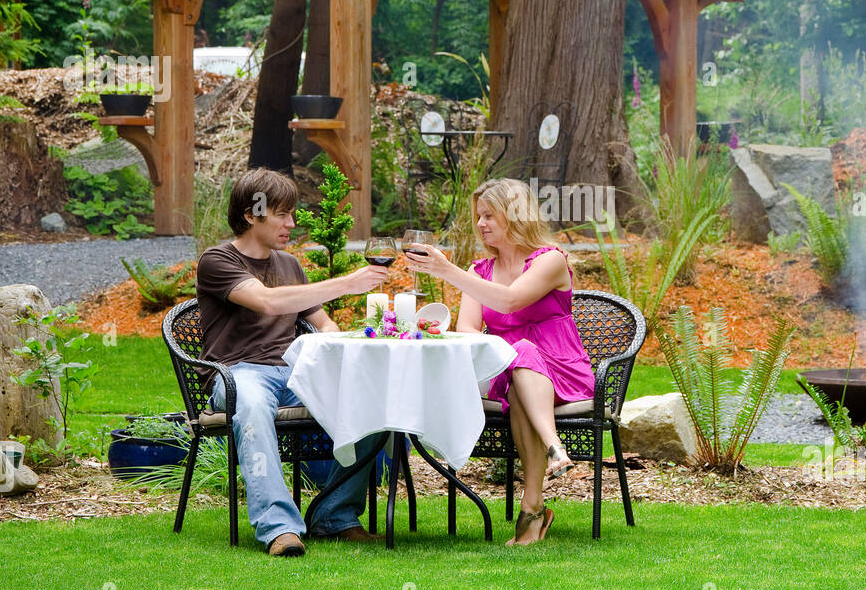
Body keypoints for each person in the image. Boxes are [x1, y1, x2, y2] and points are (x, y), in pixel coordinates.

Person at [196, 168, 389, 556]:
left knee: (375, 397)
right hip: (237, 374)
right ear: (252, 215)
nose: (291, 223)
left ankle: (335, 515)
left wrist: (341, 350)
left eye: (292, 213)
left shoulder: (289, 264)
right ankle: (279, 528)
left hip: (293, 372)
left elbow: (323, 323)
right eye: (282, 214)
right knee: (251, 403)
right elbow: (267, 301)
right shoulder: (217, 260)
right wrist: (349, 283)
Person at [404, 178, 594, 546]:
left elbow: (509, 302)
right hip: (507, 372)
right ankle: (535, 503)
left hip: (562, 367)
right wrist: (460, 278)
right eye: (478, 216)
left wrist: (446, 270)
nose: (481, 224)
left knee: (522, 352)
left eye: (489, 215)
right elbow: (467, 329)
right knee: (518, 360)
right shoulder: (480, 271)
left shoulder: (551, 259)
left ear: (515, 215)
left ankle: (543, 480)